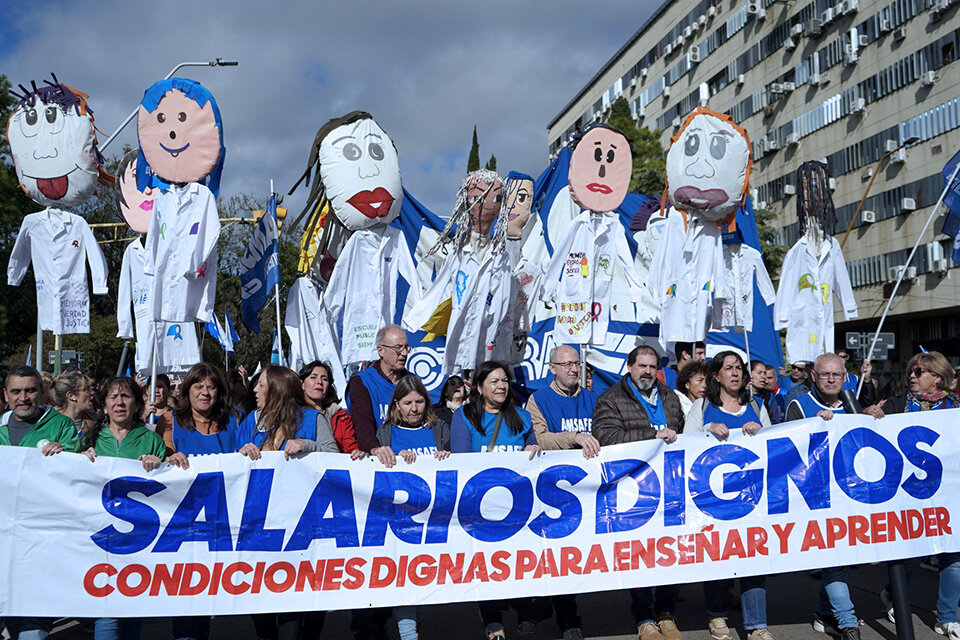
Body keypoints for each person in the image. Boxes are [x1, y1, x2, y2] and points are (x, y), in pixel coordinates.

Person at [863, 351, 960, 638]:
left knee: (952, 556)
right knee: (913, 553)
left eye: (919, 372)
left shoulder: (956, 408)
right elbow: (870, 431)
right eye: (911, 372)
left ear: (937, 377)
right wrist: (869, 414)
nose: (912, 376)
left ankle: (947, 616)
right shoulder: (895, 404)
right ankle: (894, 593)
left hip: (948, 496)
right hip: (908, 496)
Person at [592, 345, 683, 640]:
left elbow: (683, 431)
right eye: (641, 366)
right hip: (634, 490)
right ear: (629, 367)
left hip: (670, 485)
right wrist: (651, 436)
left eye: (651, 367)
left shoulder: (670, 397)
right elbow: (608, 438)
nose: (647, 372)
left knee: (672, 549)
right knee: (640, 553)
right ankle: (644, 617)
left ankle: (666, 613)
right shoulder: (610, 399)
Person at [685, 351, 772, 640]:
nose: (734, 373)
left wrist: (760, 433)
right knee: (718, 556)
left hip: (751, 498)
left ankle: (757, 625)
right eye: (728, 368)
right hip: (713, 499)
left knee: (754, 559)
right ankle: (716, 614)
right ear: (716, 376)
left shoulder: (757, 406)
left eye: (738, 368)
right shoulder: (702, 407)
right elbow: (684, 447)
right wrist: (707, 430)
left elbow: (776, 447)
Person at [451, 361, 540, 639]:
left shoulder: (522, 417)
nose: (501, 386)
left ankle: (527, 621)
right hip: (482, 511)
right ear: (478, 387)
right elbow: (462, 464)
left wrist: (535, 446)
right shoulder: (464, 416)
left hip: (520, 511)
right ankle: (494, 626)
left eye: (504, 380)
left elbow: (534, 448)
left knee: (524, 567)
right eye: (494, 381)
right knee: (487, 569)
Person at [80, 376, 166, 640]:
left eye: (126, 397)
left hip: (138, 543)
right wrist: (77, 461)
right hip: (99, 541)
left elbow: (172, 488)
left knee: (130, 613)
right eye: (113, 397)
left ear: (137, 404)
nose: (119, 403)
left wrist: (161, 464)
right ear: (104, 406)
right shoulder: (88, 439)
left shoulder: (152, 442)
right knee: (106, 613)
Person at [524, 345, 599, 640]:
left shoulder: (594, 399)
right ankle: (567, 620)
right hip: (554, 494)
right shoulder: (538, 400)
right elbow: (540, 438)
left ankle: (542, 609)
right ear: (552, 368)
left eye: (576, 363)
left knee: (575, 558)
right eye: (565, 364)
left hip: (589, 490)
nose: (572, 369)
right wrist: (575, 437)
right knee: (555, 556)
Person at [371, 375, 450, 640]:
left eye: (419, 402)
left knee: (424, 579)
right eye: (407, 402)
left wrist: (445, 457)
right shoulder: (386, 433)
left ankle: (415, 626)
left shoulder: (439, 429)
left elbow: (457, 466)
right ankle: (409, 635)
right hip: (400, 522)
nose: (413, 408)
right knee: (405, 578)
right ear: (396, 405)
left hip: (436, 520)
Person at [236, 365, 337, 460]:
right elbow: (233, 465)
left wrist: (306, 445)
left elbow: (334, 456)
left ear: (277, 390)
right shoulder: (251, 420)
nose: (255, 389)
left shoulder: (313, 418)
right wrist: (242, 454)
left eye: (261, 385)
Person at [346, 325, 410, 455]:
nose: (405, 353)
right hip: (379, 458)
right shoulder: (362, 382)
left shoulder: (412, 382)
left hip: (410, 456)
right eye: (398, 348)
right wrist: (374, 448)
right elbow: (362, 424)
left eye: (406, 347)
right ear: (381, 350)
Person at [0, 365, 79, 453]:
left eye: (30, 391)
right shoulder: (1, 425)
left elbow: (74, 462)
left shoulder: (62, 425)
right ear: (6, 394)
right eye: (16, 392)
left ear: (42, 392)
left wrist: (63, 452)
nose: (23, 398)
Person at [300, 360, 361, 455]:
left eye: (324, 379)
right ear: (302, 384)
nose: (319, 382)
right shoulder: (291, 415)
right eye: (313, 377)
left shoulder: (342, 417)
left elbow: (351, 450)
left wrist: (357, 454)